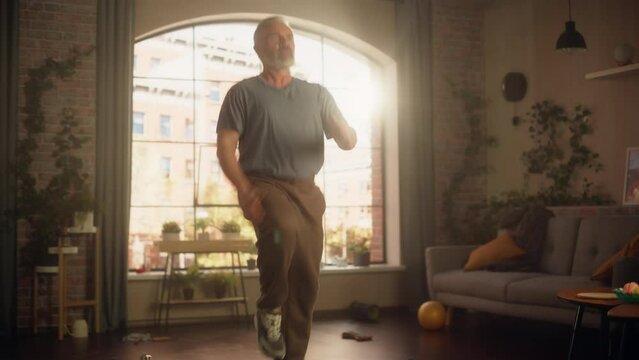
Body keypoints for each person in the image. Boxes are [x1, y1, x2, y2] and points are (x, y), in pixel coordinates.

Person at [216, 16, 357, 360]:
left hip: (307, 191)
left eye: (288, 36)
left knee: (306, 279)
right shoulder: (243, 93)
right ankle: (269, 307)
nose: (284, 42)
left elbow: (349, 140)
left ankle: (293, 355)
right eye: (274, 37)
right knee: (282, 227)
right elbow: (225, 147)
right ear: (258, 48)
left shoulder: (316, 94)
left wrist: (343, 132)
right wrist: (244, 189)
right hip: (264, 185)